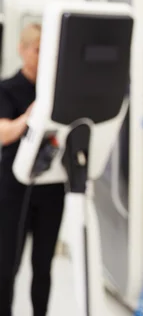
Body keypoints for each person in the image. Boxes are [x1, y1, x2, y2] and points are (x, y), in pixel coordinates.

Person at [0, 23, 66, 316]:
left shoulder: (57, 91)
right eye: (39, 50)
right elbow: (4, 132)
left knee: (43, 264)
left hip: (51, 187)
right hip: (14, 187)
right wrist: (31, 116)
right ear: (23, 50)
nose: (44, 56)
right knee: (7, 263)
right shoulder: (8, 89)